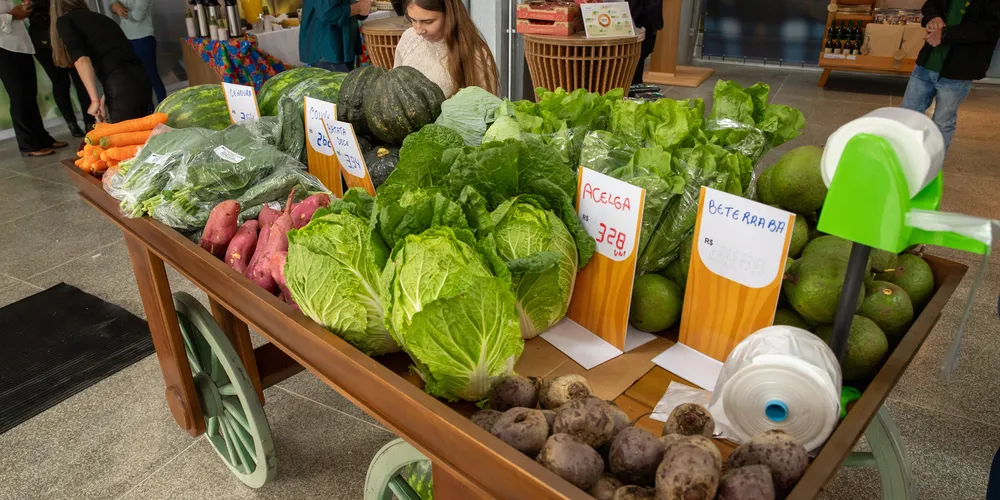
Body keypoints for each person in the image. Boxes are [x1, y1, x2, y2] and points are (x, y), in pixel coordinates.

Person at [901, 0, 1000, 152]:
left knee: (942, 122)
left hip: (959, 71)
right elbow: (930, 5)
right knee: (908, 115)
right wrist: (932, 17)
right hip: (926, 65)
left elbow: (990, 29)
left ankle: (932, 166)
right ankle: (904, 158)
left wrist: (946, 34)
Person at [50, 0, 151, 123]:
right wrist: (105, 99)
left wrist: (94, 101)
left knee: (128, 137)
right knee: (144, 134)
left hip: (120, 83)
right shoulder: (100, 18)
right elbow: (120, 62)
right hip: (141, 77)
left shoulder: (65, 21)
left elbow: (82, 60)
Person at [394, 0, 499, 98]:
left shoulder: (475, 54)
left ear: (449, 15)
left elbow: (486, 107)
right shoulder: (408, 38)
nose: (418, 30)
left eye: (428, 22)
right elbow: (393, 85)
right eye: (412, 20)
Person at [1, 0, 66, 156]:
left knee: (29, 96)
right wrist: (12, 15)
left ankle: (42, 139)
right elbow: (10, 15)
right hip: (4, 49)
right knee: (19, 97)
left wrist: (24, 8)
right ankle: (28, 145)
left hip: (20, 46)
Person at [28, 0, 92, 137]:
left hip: (63, 36)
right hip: (45, 40)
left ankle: (89, 123)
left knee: (80, 81)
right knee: (61, 83)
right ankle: (73, 124)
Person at [107, 0, 166, 105]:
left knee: (151, 75)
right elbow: (111, 6)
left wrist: (118, 8)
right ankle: (148, 110)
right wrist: (115, 6)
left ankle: (164, 107)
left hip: (143, 39)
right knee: (138, 78)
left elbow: (137, 16)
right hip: (125, 38)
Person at [300, 0, 371, 72]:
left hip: (342, 46)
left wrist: (363, 8)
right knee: (339, 82)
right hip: (328, 48)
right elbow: (328, 14)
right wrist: (358, 8)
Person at [628, 0, 664, 86]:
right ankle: (635, 87)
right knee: (638, 60)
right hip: (644, 23)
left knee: (637, 60)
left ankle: (634, 88)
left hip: (639, 23)